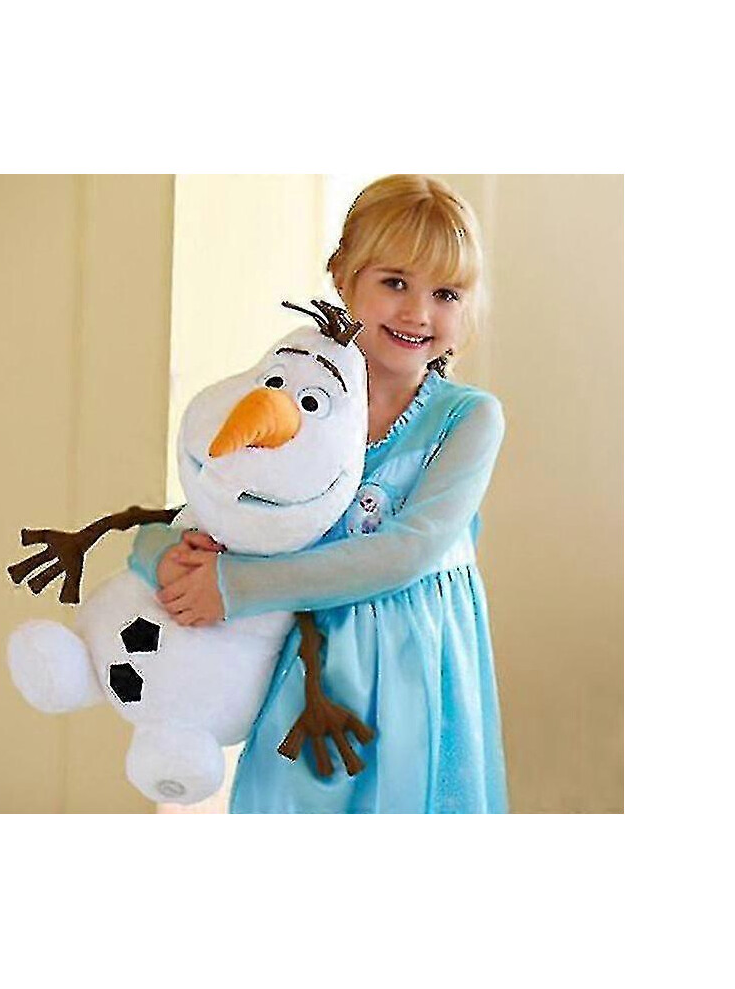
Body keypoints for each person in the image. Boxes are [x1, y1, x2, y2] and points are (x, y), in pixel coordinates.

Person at [128, 174, 508, 813]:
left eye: (445, 293)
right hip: (308, 671)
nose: (418, 312)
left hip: (417, 675)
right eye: (395, 283)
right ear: (343, 276)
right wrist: (163, 556)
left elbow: (407, 553)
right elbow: (216, 495)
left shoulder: (467, 419)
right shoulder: (299, 398)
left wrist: (236, 586)